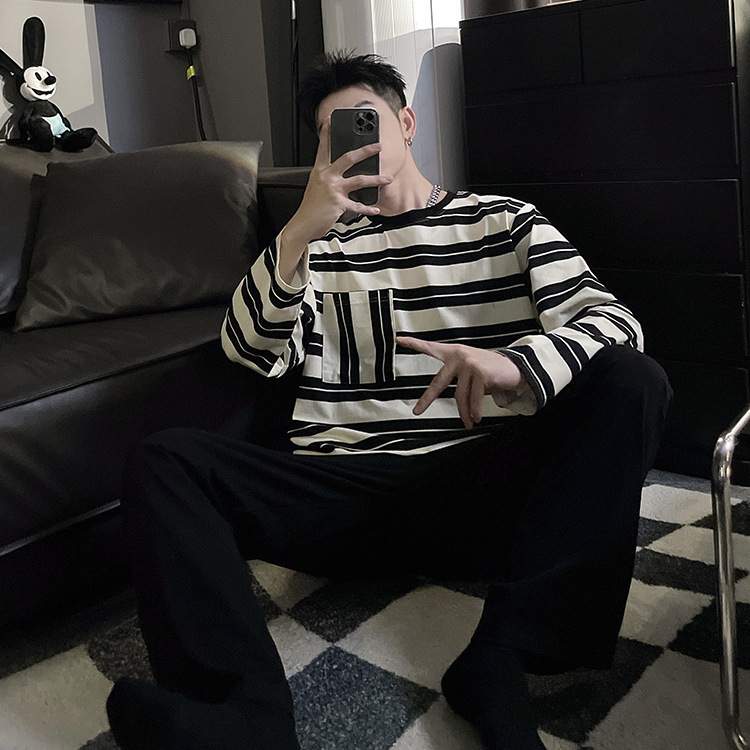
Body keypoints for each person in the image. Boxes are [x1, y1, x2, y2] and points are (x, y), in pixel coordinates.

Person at [105, 52, 673, 750]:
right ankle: (242, 718)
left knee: (633, 380)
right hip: (346, 496)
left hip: (482, 487)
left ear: (406, 123)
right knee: (163, 461)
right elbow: (247, 350)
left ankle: (504, 656)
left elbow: (614, 322)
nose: (353, 141)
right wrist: (298, 230)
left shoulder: (504, 222)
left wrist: (514, 365)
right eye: (332, 132)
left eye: (366, 120)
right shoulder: (317, 252)